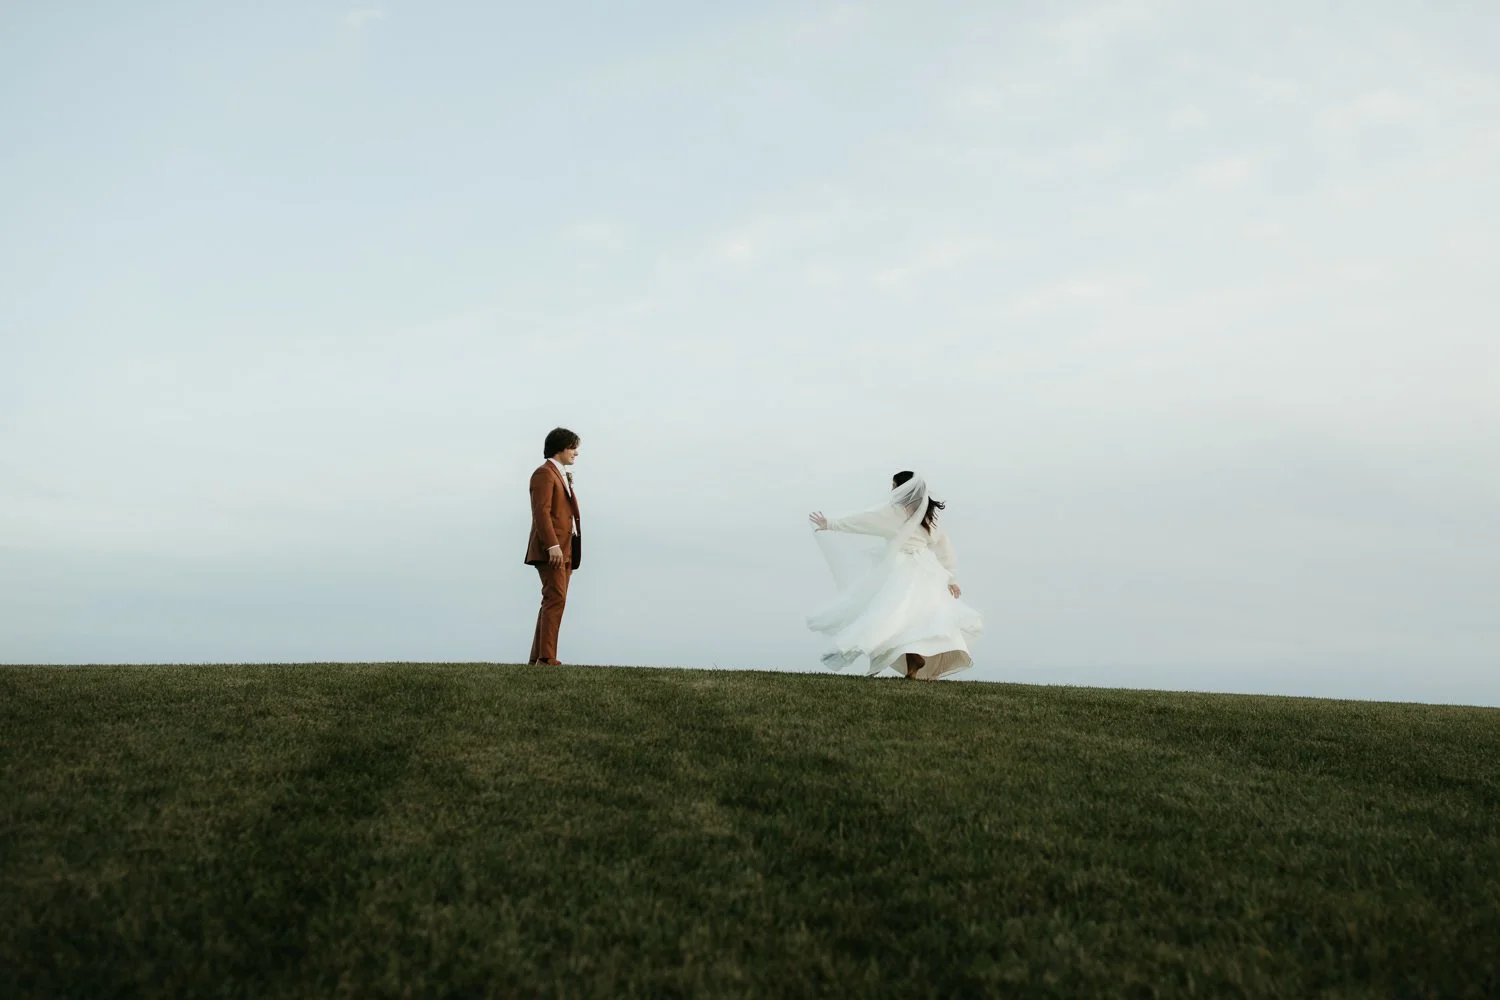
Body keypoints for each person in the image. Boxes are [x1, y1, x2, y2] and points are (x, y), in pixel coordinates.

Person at [807, 471, 983, 680]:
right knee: (915, 617)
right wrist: (951, 578)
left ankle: (890, 655)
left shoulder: (894, 513)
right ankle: (913, 662)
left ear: (902, 489)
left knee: (891, 614)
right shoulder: (929, 518)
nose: (891, 490)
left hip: (902, 567)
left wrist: (831, 524)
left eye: (894, 486)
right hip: (926, 570)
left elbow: (864, 520)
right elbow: (945, 548)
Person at [524, 427, 582, 665]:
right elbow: (541, 512)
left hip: (566, 549)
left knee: (553, 599)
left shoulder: (560, 474)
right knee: (555, 599)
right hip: (553, 550)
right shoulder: (544, 474)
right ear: (560, 447)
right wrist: (552, 546)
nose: (576, 454)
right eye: (573, 448)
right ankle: (547, 659)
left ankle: (538, 658)